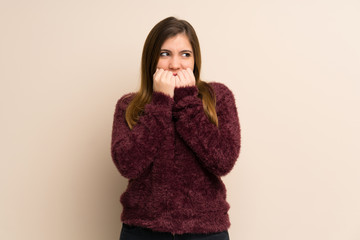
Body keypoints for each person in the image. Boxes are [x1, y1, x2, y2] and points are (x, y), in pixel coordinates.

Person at [111, 16, 241, 240]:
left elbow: (223, 161)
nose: (175, 64)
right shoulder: (129, 106)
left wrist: (187, 101)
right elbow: (128, 165)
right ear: (152, 59)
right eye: (165, 54)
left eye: (185, 54)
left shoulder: (217, 97)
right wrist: (161, 101)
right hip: (143, 230)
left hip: (205, 230)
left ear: (195, 60)